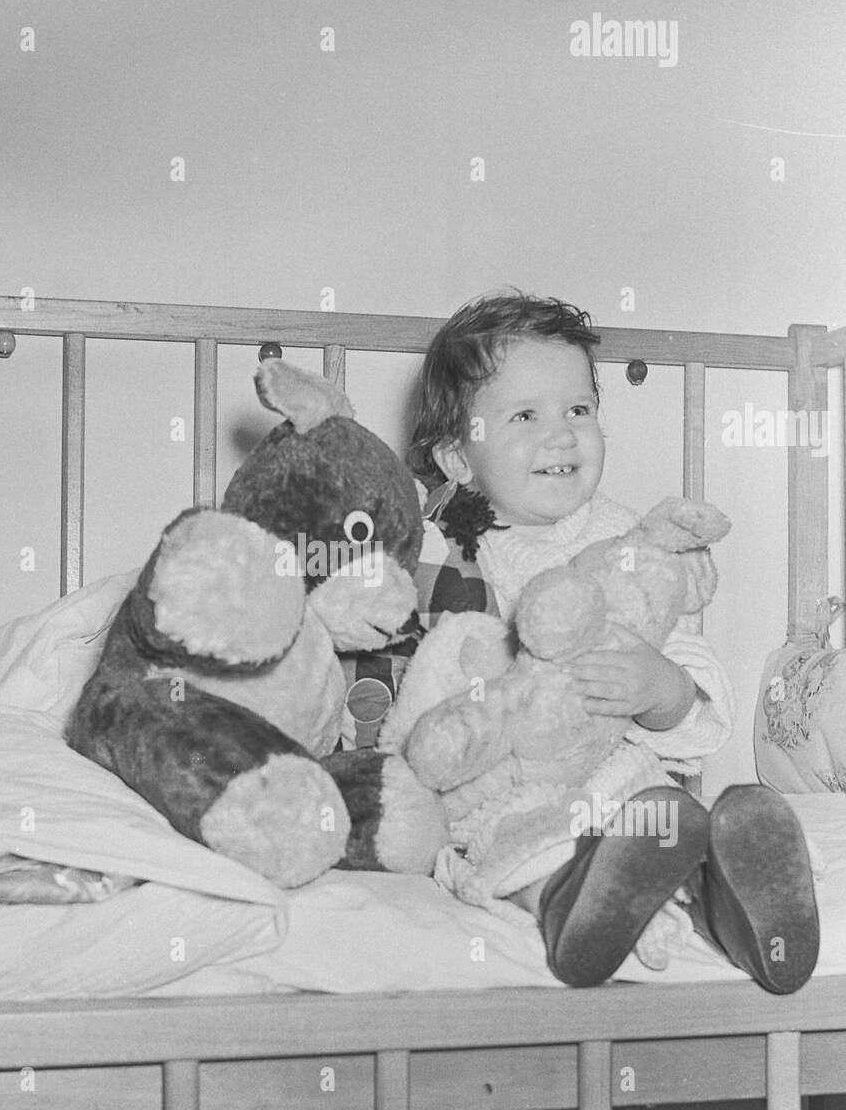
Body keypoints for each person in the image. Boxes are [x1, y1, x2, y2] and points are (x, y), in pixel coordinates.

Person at [345, 291, 819, 992]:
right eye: (525, 416)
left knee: (663, 820)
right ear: (456, 457)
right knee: (512, 846)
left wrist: (661, 689)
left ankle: (744, 896)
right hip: (511, 787)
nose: (563, 434)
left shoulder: (628, 540)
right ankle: (582, 908)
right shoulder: (444, 552)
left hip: (624, 781)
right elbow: (409, 687)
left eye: (578, 410)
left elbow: (691, 699)